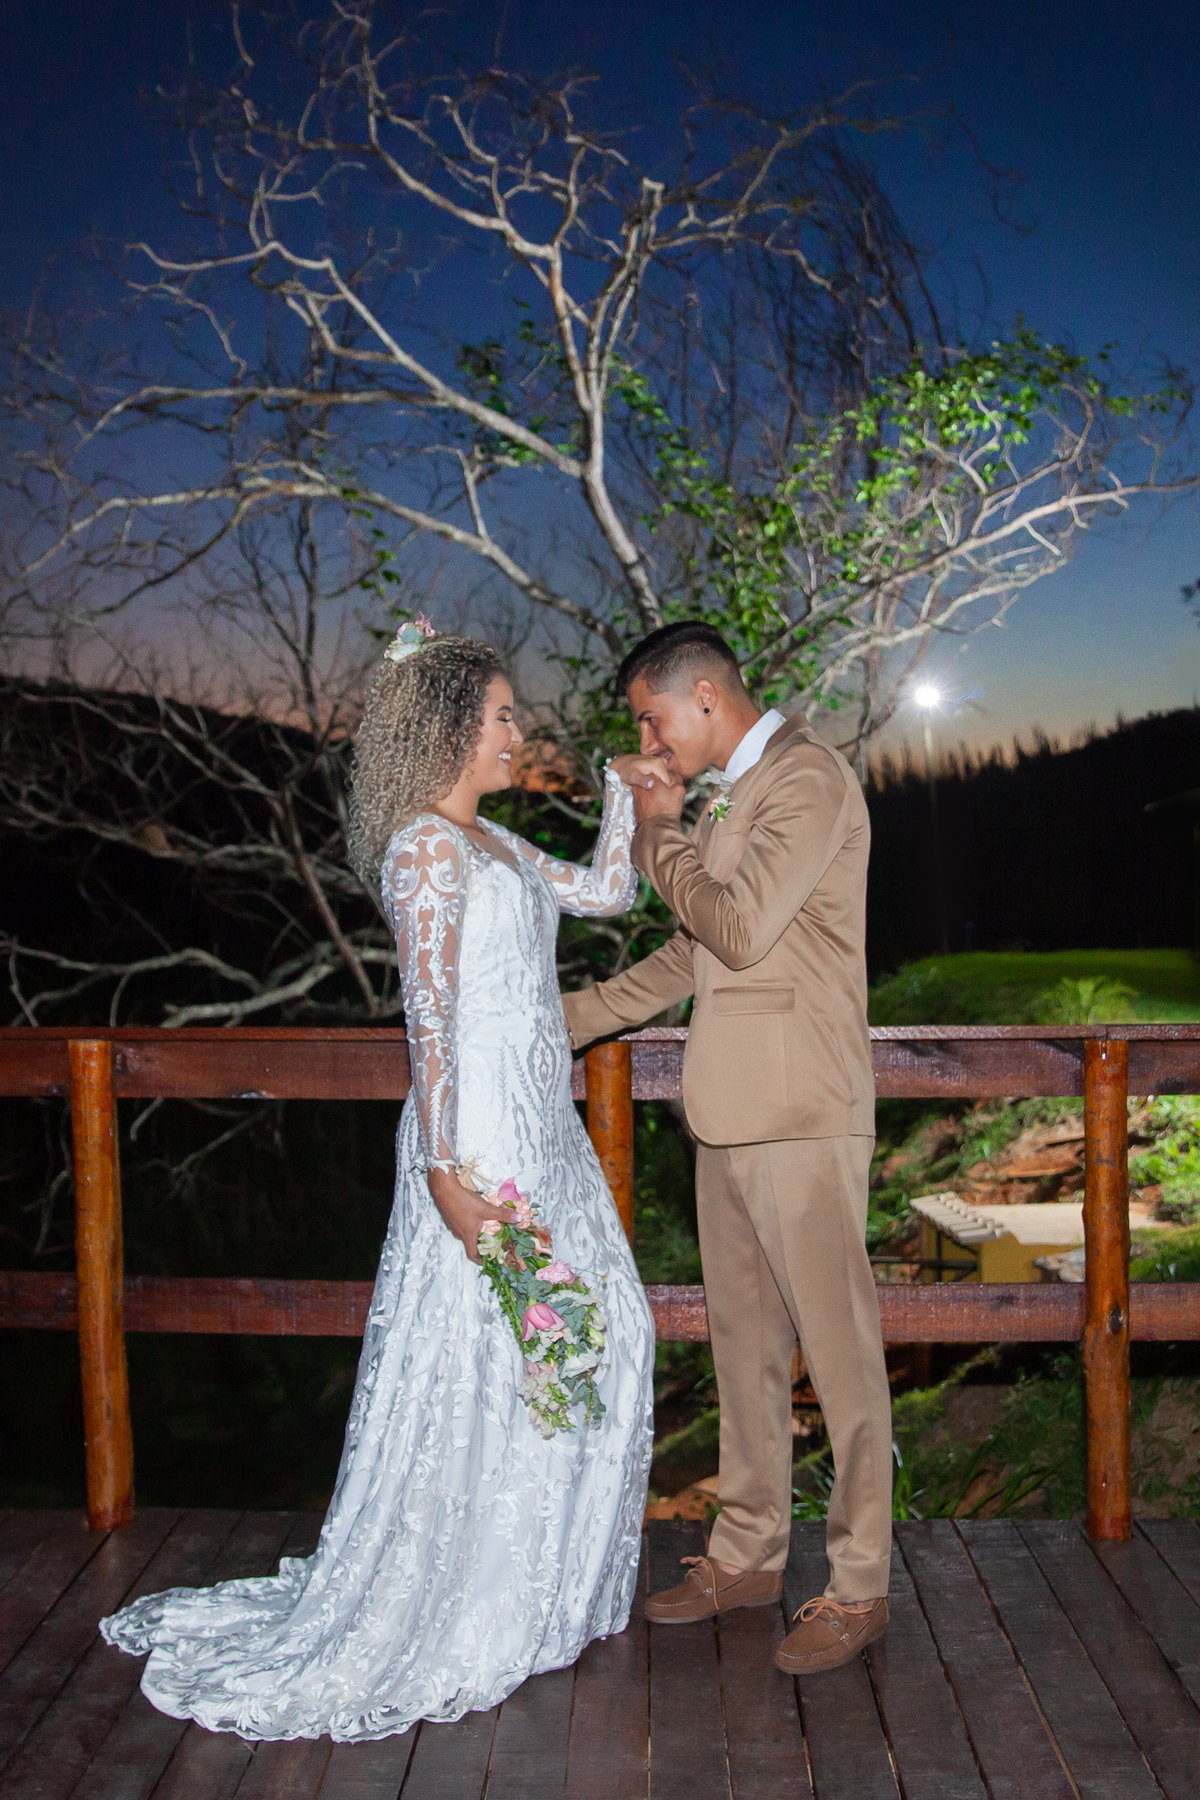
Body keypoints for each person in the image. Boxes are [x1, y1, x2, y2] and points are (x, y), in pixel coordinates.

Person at [100, 629, 657, 1741]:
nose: (516, 731)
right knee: (522, 1358)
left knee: (610, 1339)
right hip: (484, 1143)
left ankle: (544, 1593)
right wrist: (450, 1173)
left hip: (545, 1131)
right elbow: (433, 1019)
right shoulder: (421, 851)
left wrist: (622, 796)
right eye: (501, 715)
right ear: (453, 727)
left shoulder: (492, 841)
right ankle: (483, 1604)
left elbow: (603, 895)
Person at [562, 621, 893, 1676]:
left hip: (804, 1114)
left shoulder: (807, 780)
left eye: (651, 719)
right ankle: (747, 1556)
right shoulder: (730, 800)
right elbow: (692, 952)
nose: (648, 743)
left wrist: (660, 830)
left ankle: (858, 1585)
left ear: (705, 697)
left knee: (841, 1362)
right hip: (728, 1114)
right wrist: (560, 1018)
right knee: (743, 1357)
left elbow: (740, 928)